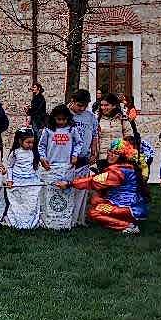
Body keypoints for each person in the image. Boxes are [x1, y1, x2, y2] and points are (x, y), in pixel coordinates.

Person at [60, 139, 147, 234]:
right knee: (95, 200)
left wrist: (69, 184)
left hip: (128, 208)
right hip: (129, 205)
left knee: (93, 212)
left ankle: (128, 226)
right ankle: (125, 220)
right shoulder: (126, 167)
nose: (111, 155)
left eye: (116, 153)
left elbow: (93, 181)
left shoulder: (118, 171)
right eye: (110, 151)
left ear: (122, 156)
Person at [37, 104, 79, 230]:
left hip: (66, 166)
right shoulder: (48, 130)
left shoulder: (72, 129)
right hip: (51, 166)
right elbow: (41, 146)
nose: (61, 122)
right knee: (50, 193)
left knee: (66, 194)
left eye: (64, 119)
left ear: (68, 118)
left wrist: (75, 155)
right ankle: (49, 221)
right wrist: (42, 158)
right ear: (53, 118)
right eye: (58, 119)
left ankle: (64, 222)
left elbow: (79, 143)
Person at [68, 90, 99, 227]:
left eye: (85, 106)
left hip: (84, 157)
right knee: (67, 188)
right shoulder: (64, 114)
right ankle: (65, 217)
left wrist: (94, 152)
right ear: (72, 101)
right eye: (79, 105)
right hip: (67, 158)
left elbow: (94, 135)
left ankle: (78, 218)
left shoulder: (90, 117)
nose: (82, 109)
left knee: (81, 189)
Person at [3, 129, 41, 229]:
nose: (30, 145)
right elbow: (10, 167)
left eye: (32, 142)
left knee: (30, 201)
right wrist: (10, 180)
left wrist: (38, 179)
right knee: (18, 202)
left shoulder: (33, 152)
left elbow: (36, 167)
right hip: (17, 180)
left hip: (30, 180)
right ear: (20, 141)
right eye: (28, 142)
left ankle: (29, 221)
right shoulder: (15, 153)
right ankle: (17, 220)